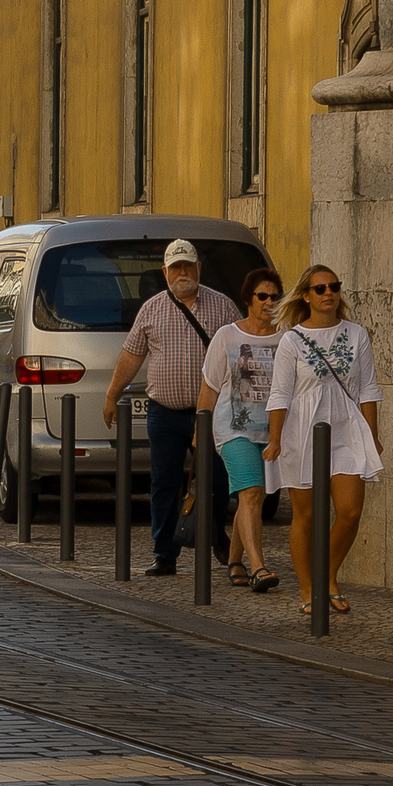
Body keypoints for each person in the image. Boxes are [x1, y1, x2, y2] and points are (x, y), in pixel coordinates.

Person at [103, 240, 244, 576]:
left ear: (199, 269)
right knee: (164, 483)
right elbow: (131, 355)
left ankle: (215, 536)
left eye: (188, 266)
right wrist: (112, 394)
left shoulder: (223, 307)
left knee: (217, 480)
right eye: (176, 267)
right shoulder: (151, 309)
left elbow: (240, 353)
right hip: (163, 413)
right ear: (165, 272)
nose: (183, 273)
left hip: (210, 413)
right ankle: (164, 553)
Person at [263, 264, 381, 617]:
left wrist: (372, 435)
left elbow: (369, 390)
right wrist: (274, 438)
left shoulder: (357, 334)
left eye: (334, 286)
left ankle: (327, 574)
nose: (329, 293)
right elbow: (280, 393)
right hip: (303, 431)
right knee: (306, 515)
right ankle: (308, 589)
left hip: (347, 429)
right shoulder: (291, 339)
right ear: (306, 296)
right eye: (320, 289)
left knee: (350, 511)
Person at [198, 267, 285, 593]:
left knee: (252, 497)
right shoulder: (228, 336)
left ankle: (234, 561)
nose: (269, 302)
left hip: (272, 432)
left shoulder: (287, 336)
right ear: (248, 299)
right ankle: (258, 568)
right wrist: (200, 427)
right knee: (251, 493)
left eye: (275, 296)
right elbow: (209, 387)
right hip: (232, 429)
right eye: (263, 296)